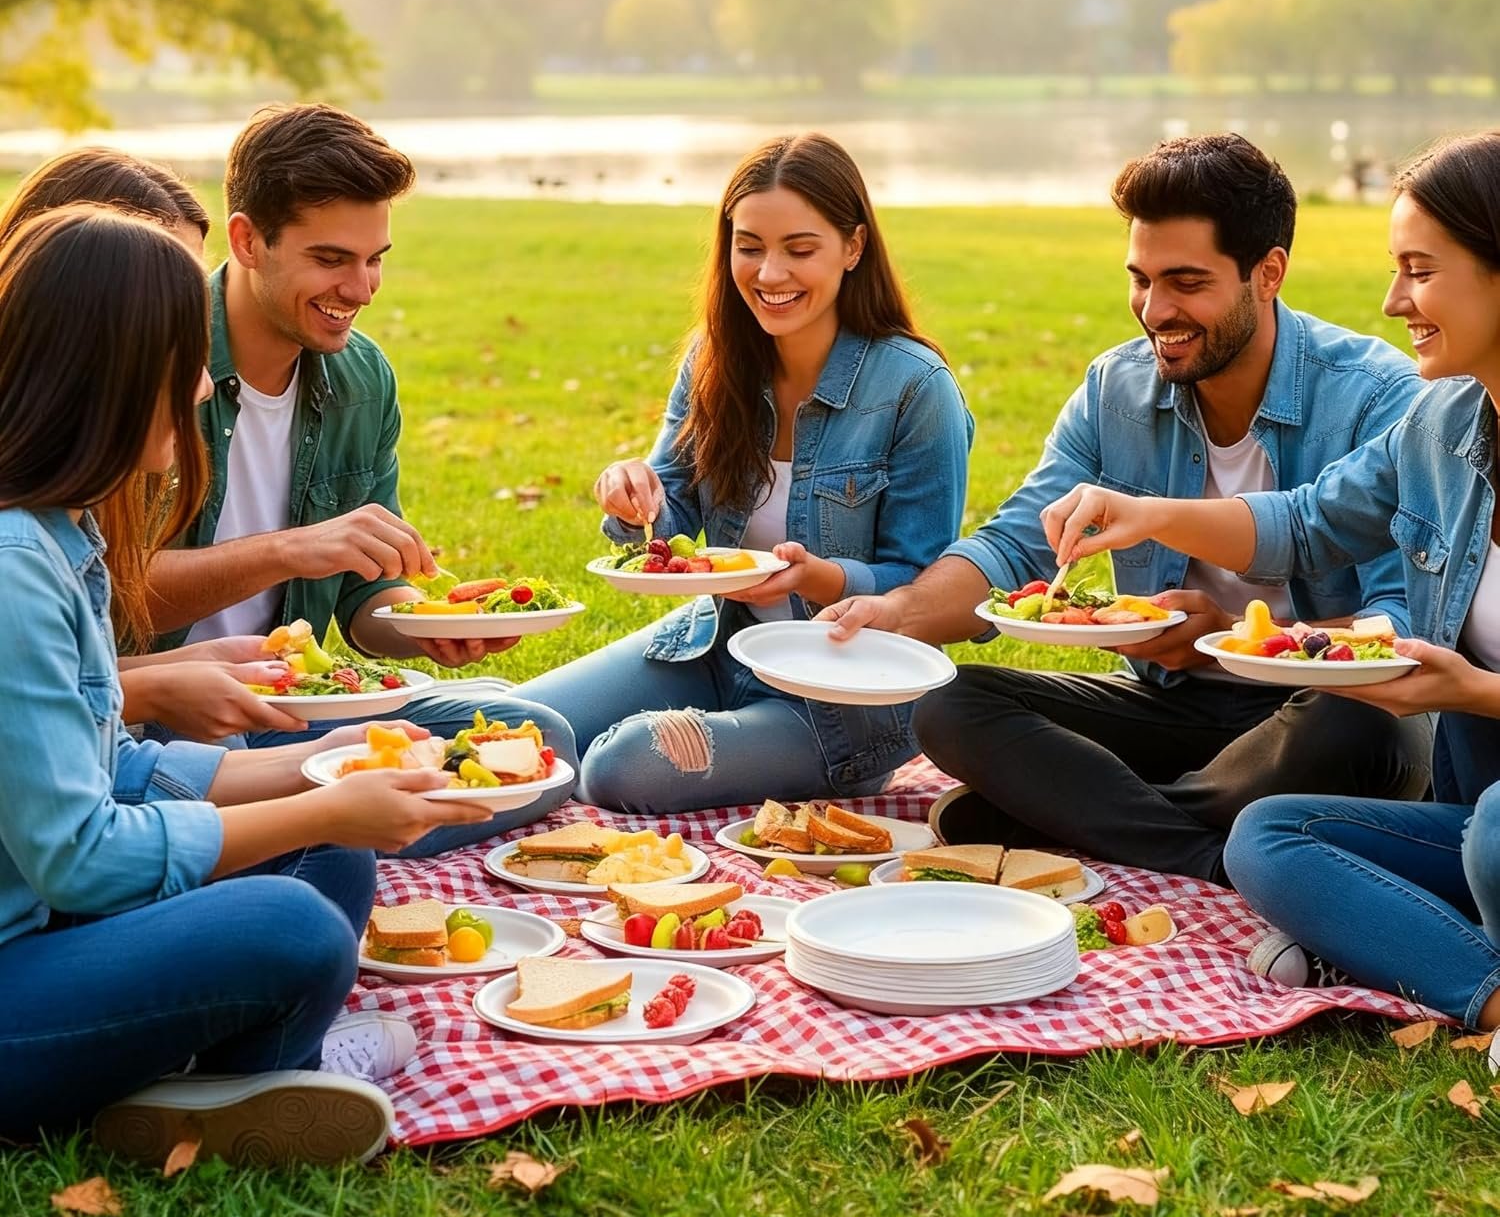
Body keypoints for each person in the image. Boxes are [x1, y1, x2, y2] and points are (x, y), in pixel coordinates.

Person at [0, 204, 496, 1160]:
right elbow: (83, 857)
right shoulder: (16, 560)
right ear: (102, 370)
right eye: (179, 361)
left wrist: (321, 763)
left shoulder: (66, 531)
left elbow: (112, 764)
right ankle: (200, 1085)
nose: (195, 388)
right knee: (290, 926)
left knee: (333, 865)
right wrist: (316, 808)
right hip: (19, 961)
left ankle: (216, 1075)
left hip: (42, 919)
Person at [819, 133, 1429, 884]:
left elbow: (1400, 625)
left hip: (1313, 711)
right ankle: (1209, 850)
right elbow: (1015, 547)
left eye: (1186, 282)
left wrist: (1236, 638)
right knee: (951, 704)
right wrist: (899, 612)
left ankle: (1069, 816)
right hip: (1171, 707)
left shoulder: (1376, 396)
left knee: (1357, 727)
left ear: (1267, 273)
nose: (1155, 310)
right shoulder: (1117, 391)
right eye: (1140, 279)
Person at [1043, 131, 1500, 1043]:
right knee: (1268, 839)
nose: (1393, 299)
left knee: (1493, 834)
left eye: (1420, 269)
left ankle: (1420, 947)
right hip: (1470, 803)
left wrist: (1474, 691)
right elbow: (1305, 520)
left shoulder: (1384, 392)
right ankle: (1489, 994)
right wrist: (1151, 513)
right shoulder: (1446, 422)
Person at [139, 105, 577, 842]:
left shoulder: (362, 378)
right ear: (248, 240)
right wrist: (287, 550)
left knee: (533, 736)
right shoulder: (157, 361)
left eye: (376, 258)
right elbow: (107, 596)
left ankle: (305, 828)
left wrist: (429, 627)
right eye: (332, 259)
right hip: (162, 717)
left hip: (299, 711)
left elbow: (364, 601)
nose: (363, 287)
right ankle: (276, 834)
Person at [511, 133, 973, 810]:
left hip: (838, 701)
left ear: (853, 246)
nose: (770, 273)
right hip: (712, 647)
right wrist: (634, 495)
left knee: (620, 767)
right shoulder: (714, 358)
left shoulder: (915, 388)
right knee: (514, 730)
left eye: (800, 249)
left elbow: (926, 588)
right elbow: (672, 520)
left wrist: (819, 577)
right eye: (749, 246)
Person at [0, 148, 309, 744]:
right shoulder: (22, 545)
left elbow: (65, 673)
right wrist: (159, 686)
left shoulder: (76, 500)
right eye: (160, 313)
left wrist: (188, 668)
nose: (201, 377)